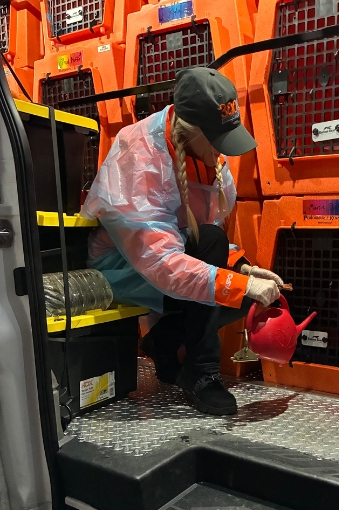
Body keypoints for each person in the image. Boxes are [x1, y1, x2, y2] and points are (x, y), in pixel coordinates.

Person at [82, 67, 282, 416]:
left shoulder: (203, 153)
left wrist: (244, 268)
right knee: (233, 285)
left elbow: (204, 243)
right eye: (218, 138)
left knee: (242, 296)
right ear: (191, 131)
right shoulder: (139, 152)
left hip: (166, 261)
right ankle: (202, 373)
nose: (225, 151)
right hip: (122, 267)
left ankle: (163, 343)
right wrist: (240, 282)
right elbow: (160, 260)